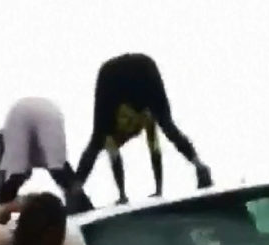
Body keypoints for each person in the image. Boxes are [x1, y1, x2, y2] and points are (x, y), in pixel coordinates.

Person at [76, 53, 212, 204]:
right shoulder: (145, 117)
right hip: (145, 66)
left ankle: (75, 192)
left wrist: (123, 195)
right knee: (167, 125)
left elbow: (118, 158)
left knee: (96, 141)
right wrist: (158, 190)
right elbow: (154, 150)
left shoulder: (109, 129)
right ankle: (200, 166)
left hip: (111, 76)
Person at [0, 97, 94, 213]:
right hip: (48, 113)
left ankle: (81, 207)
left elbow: (1, 171)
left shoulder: (13, 143)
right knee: (58, 169)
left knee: (17, 177)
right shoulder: (17, 144)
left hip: (31, 116)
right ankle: (83, 207)